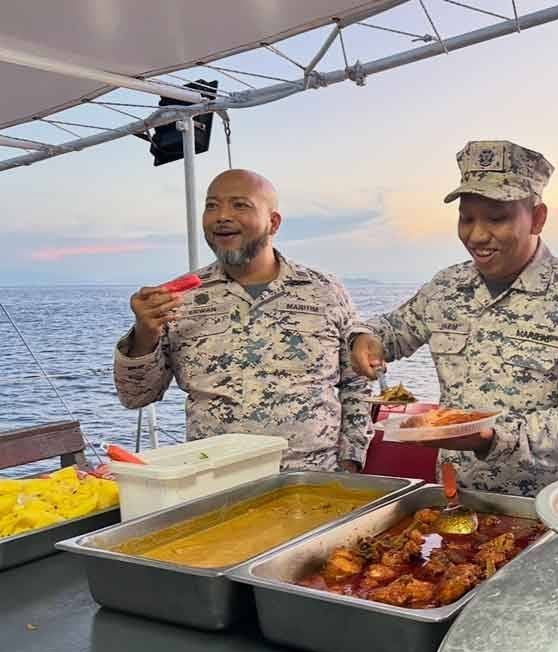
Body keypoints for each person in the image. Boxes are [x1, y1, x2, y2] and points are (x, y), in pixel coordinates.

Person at [350, 140, 558, 496]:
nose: (476, 235)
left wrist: (490, 438)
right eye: (467, 218)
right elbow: (393, 330)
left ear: (537, 218)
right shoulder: (446, 287)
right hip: (456, 496)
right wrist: (364, 337)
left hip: (542, 506)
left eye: (496, 218)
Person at [113, 169, 371, 472]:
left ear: (273, 222)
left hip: (312, 482)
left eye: (239, 205)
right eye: (212, 205)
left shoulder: (324, 291)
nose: (222, 216)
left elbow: (357, 383)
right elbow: (136, 396)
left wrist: (350, 463)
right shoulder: (179, 298)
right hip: (213, 483)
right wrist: (145, 334)